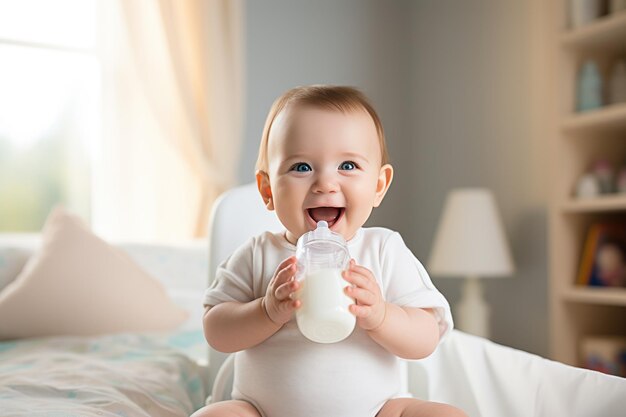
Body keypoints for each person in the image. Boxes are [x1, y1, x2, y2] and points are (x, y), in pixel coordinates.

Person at [192, 85, 466, 417]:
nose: (325, 183)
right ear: (267, 190)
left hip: (378, 410)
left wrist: (380, 315)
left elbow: (425, 338)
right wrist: (266, 311)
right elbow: (217, 331)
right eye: (302, 167)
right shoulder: (258, 253)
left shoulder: (383, 249)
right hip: (263, 411)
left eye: (348, 166)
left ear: (378, 186)